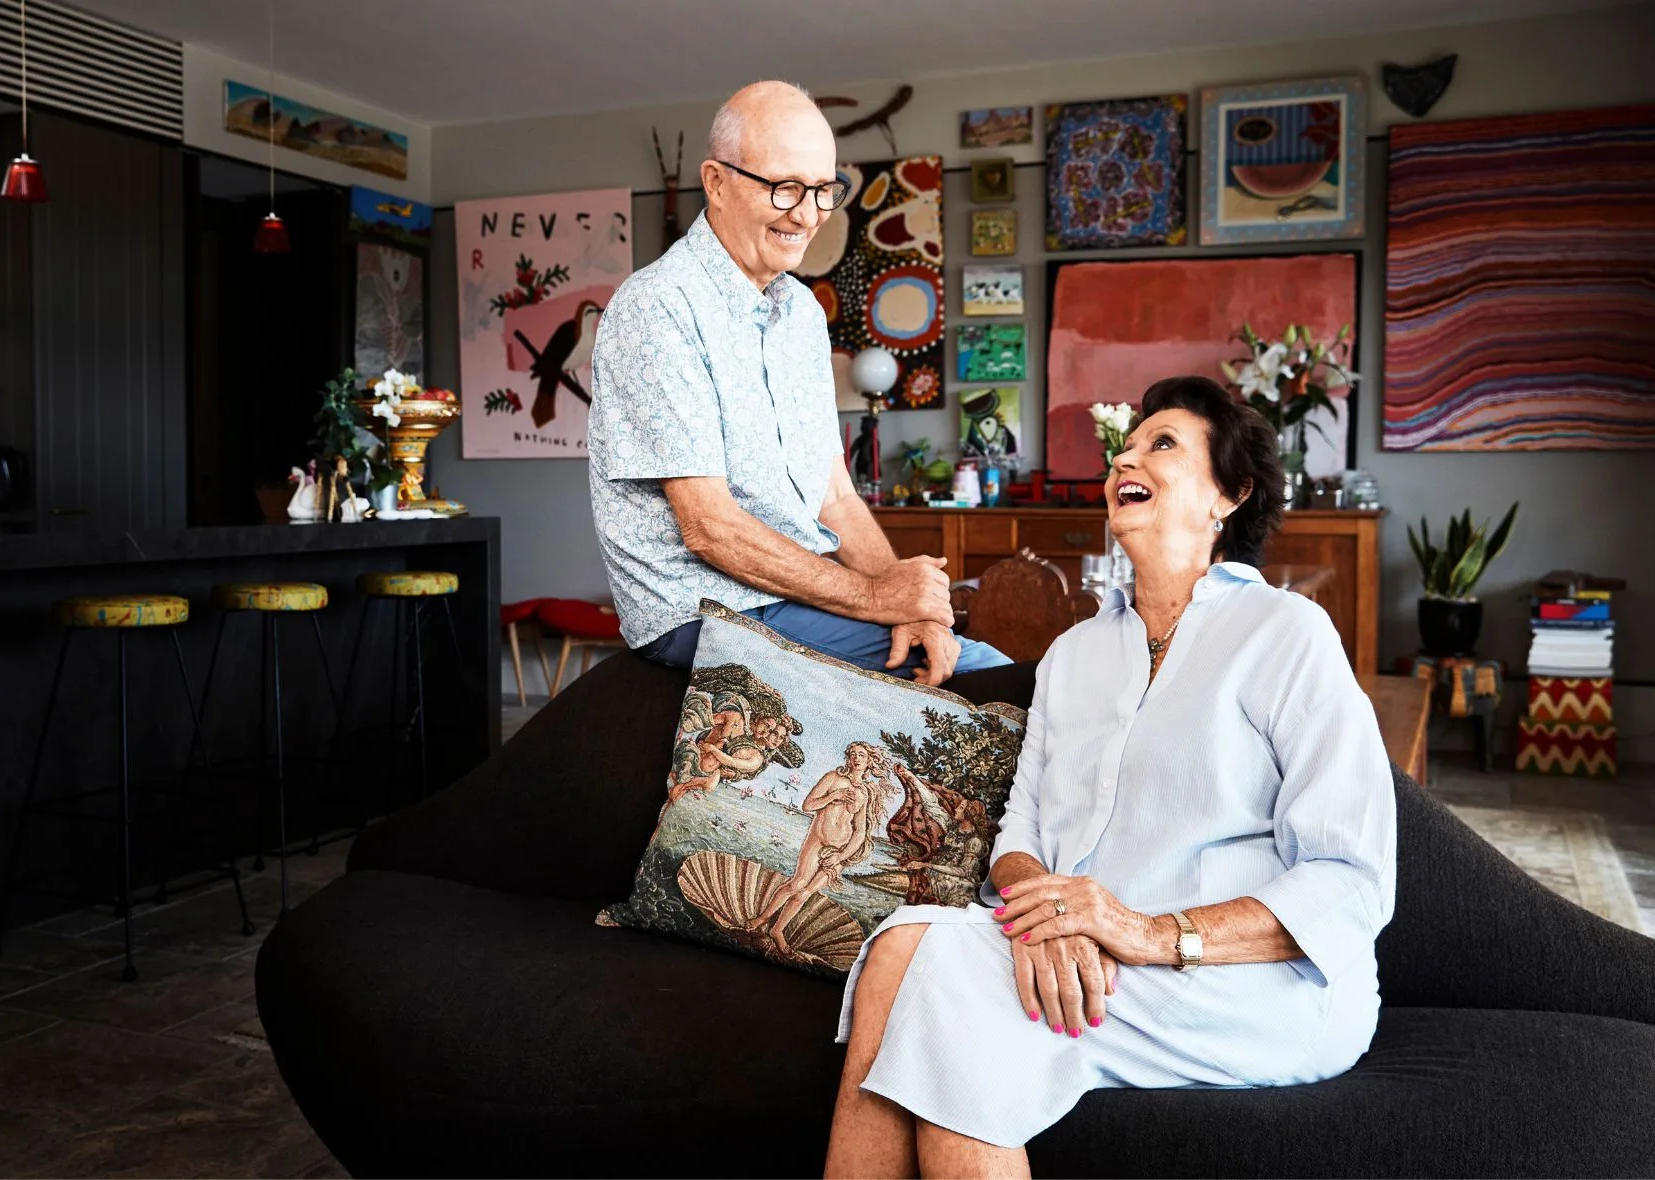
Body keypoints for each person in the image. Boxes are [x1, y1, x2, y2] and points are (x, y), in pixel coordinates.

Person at [825, 375, 1397, 1177]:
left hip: (1259, 982)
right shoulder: (1076, 656)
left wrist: (1145, 934)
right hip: (1095, 959)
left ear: (1227, 495)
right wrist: (1046, 921)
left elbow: (1352, 877)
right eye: (1124, 447)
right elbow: (1019, 831)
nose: (1125, 457)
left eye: (1161, 443)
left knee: (939, 982)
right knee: (903, 953)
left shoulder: (1286, 633)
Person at [588, 80, 1010, 686]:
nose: (808, 214)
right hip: (701, 610)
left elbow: (832, 495)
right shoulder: (657, 307)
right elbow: (710, 528)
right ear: (717, 181)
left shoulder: (803, 312)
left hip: (789, 594)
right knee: (991, 675)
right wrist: (875, 600)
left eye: (823, 190)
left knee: (959, 655)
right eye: (785, 187)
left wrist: (913, 609)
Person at [751, 741, 894, 956]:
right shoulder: (833, 778)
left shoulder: (864, 794)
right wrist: (833, 796)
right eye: (853, 754)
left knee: (806, 893)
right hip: (817, 840)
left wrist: (840, 857)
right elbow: (807, 805)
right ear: (848, 758)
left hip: (838, 851)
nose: (856, 758)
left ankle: (777, 930)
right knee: (797, 883)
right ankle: (762, 918)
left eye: (861, 755)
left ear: (869, 761)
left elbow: (860, 832)